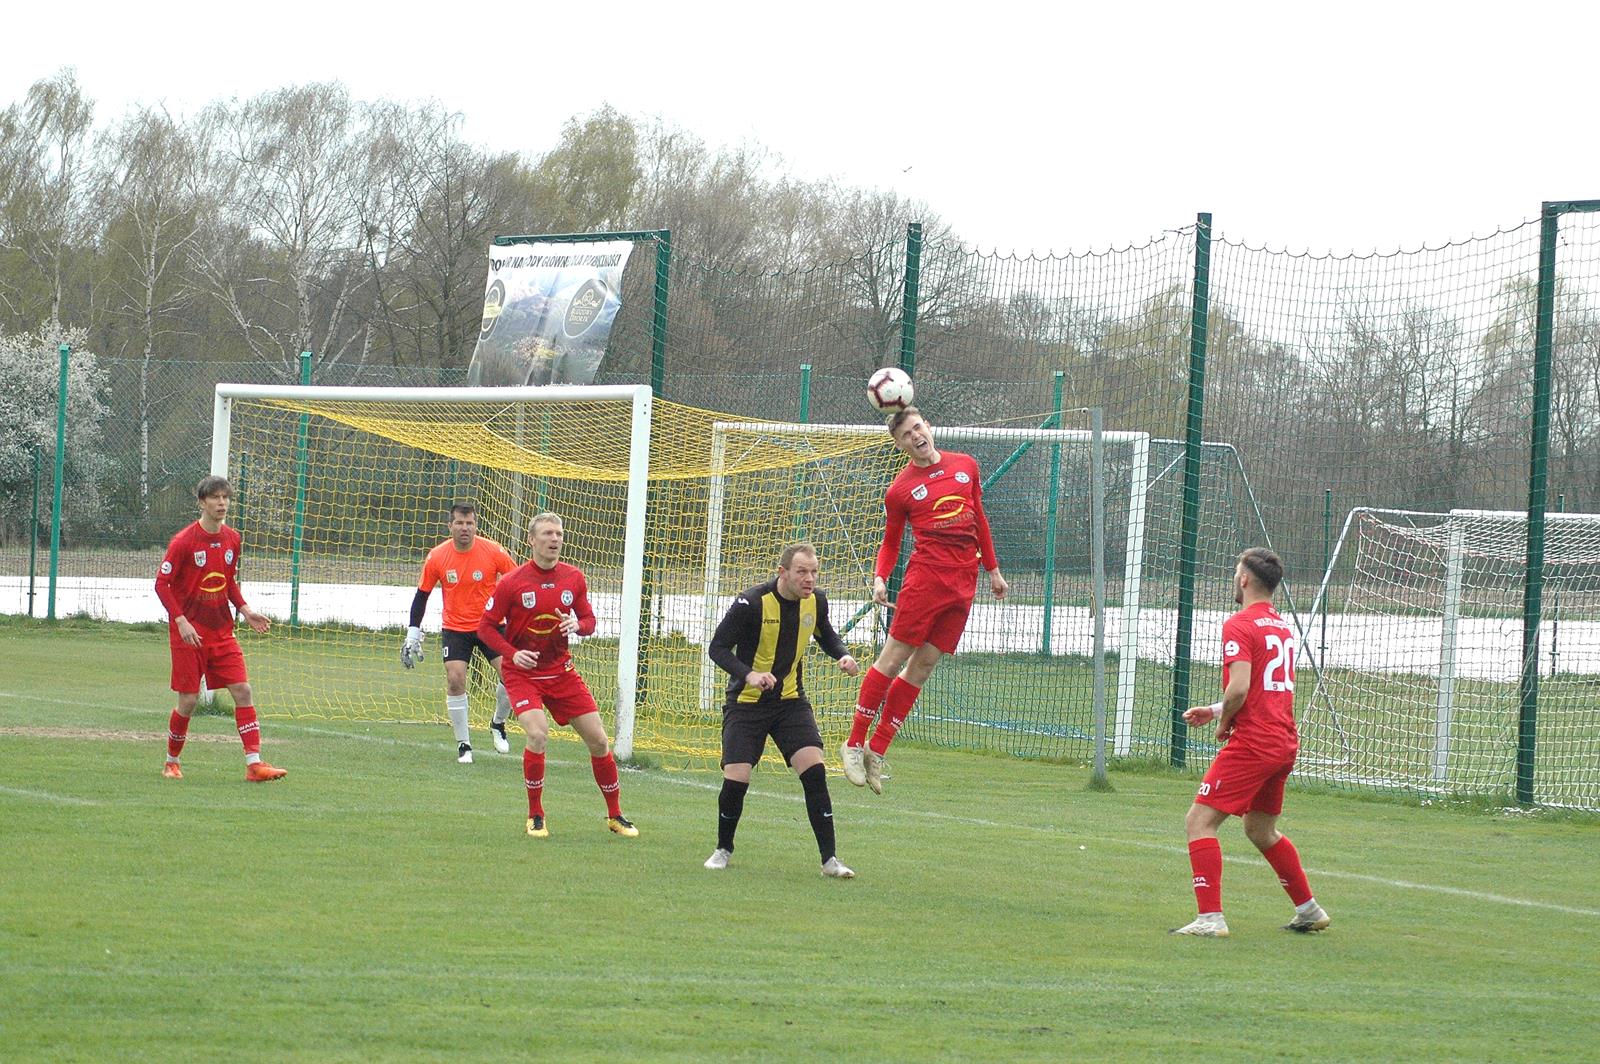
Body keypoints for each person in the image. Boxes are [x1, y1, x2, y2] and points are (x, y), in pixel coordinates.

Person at [840, 407, 1008, 793]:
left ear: (928, 427)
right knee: (894, 657)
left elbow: (979, 518)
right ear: (900, 445)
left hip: (963, 583)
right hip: (925, 581)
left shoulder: (966, 465)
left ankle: (876, 750)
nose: (915, 436)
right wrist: (880, 577)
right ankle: (853, 742)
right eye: (905, 435)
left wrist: (993, 571)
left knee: (925, 665)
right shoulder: (899, 490)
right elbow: (892, 540)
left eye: (917, 427)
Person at [1171, 548, 1331, 938]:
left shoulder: (1239, 624)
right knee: (1261, 830)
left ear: (1244, 579)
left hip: (1255, 742)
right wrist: (1215, 709)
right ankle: (1309, 910)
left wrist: (1224, 721)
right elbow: (1264, 689)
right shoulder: (1280, 627)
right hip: (1282, 741)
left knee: (1199, 821)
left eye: (1234, 571)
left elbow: (1240, 688)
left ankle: (1210, 919)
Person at [477, 512, 638, 839]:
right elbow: (485, 628)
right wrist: (512, 653)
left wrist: (577, 625)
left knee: (599, 740)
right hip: (523, 674)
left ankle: (615, 815)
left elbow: (589, 621)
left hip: (561, 672)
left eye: (559, 534)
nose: (555, 539)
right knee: (537, 734)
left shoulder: (573, 578)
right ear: (532, 540)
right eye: (548, 534)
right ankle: (535, 814)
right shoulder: (512, 582)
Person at [705, 543, 861, 878]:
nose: (810, 578)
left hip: (790, 703)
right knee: (738, 777)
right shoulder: (751, 602)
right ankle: (723, 849)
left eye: (814, 571)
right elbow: (717, 648)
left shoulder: (816, 601)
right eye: (802, 571)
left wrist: (842, 655)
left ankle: (830, 860)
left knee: (814, 771)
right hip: (746, 704)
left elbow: (826, 635)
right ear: (783, 573)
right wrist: (749, 674)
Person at [154, 475, 286, 782]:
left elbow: (228, 582)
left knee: (243, 690)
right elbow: (162, 585)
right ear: (202, 502)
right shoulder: (183, 541)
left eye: (225, 498)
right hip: (189, 633)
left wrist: (246, 610)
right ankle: (171, 761)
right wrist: (181, 620)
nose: (222, 503)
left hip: (222, 631)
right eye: (215, 498)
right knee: (188, 701)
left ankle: (255, 765)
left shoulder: (232, 539)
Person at [403, 503, 517, 763]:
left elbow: (516, 582)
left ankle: (498, 723)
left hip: (491, 624)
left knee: (512, 674)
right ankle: (464, 745)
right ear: (450, 526)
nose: (465, 528)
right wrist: (412, 633)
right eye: (459, 523)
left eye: (469, 523)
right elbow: (422, 596)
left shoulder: (493, 551)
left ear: (476, 526)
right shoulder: (437, 556)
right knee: (455, 679)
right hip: (455, 627)